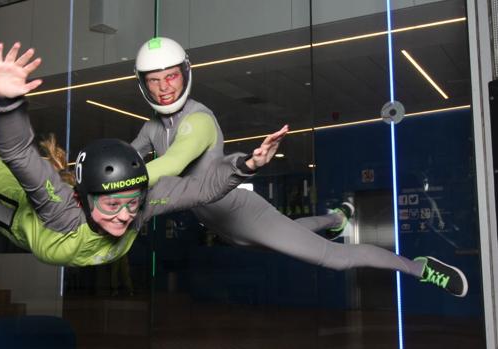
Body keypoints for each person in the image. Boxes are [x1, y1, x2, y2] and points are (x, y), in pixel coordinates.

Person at [130, 37, 468, 297]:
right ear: (143, 83)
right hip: (224, 229)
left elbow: (171, 164)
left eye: (170, 76)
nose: (164, 88)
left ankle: (418, 268)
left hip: (242, 214)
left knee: (334, 258)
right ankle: (338, 217)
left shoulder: (198, 119)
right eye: (155, 80)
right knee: (294, 232)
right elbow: (124, 159)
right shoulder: (152, 129)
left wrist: (116, 183)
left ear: (184, 74)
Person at [0, 42, 287, 267]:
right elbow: (18, 154)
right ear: (86, 199)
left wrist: (246, 165)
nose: (125, 215)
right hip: (18, 218)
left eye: (131, 203)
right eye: (113, 205)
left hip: (65, 216)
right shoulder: (60, 212)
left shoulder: (140, 206)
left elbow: (201, 188)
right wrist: (5, 103)